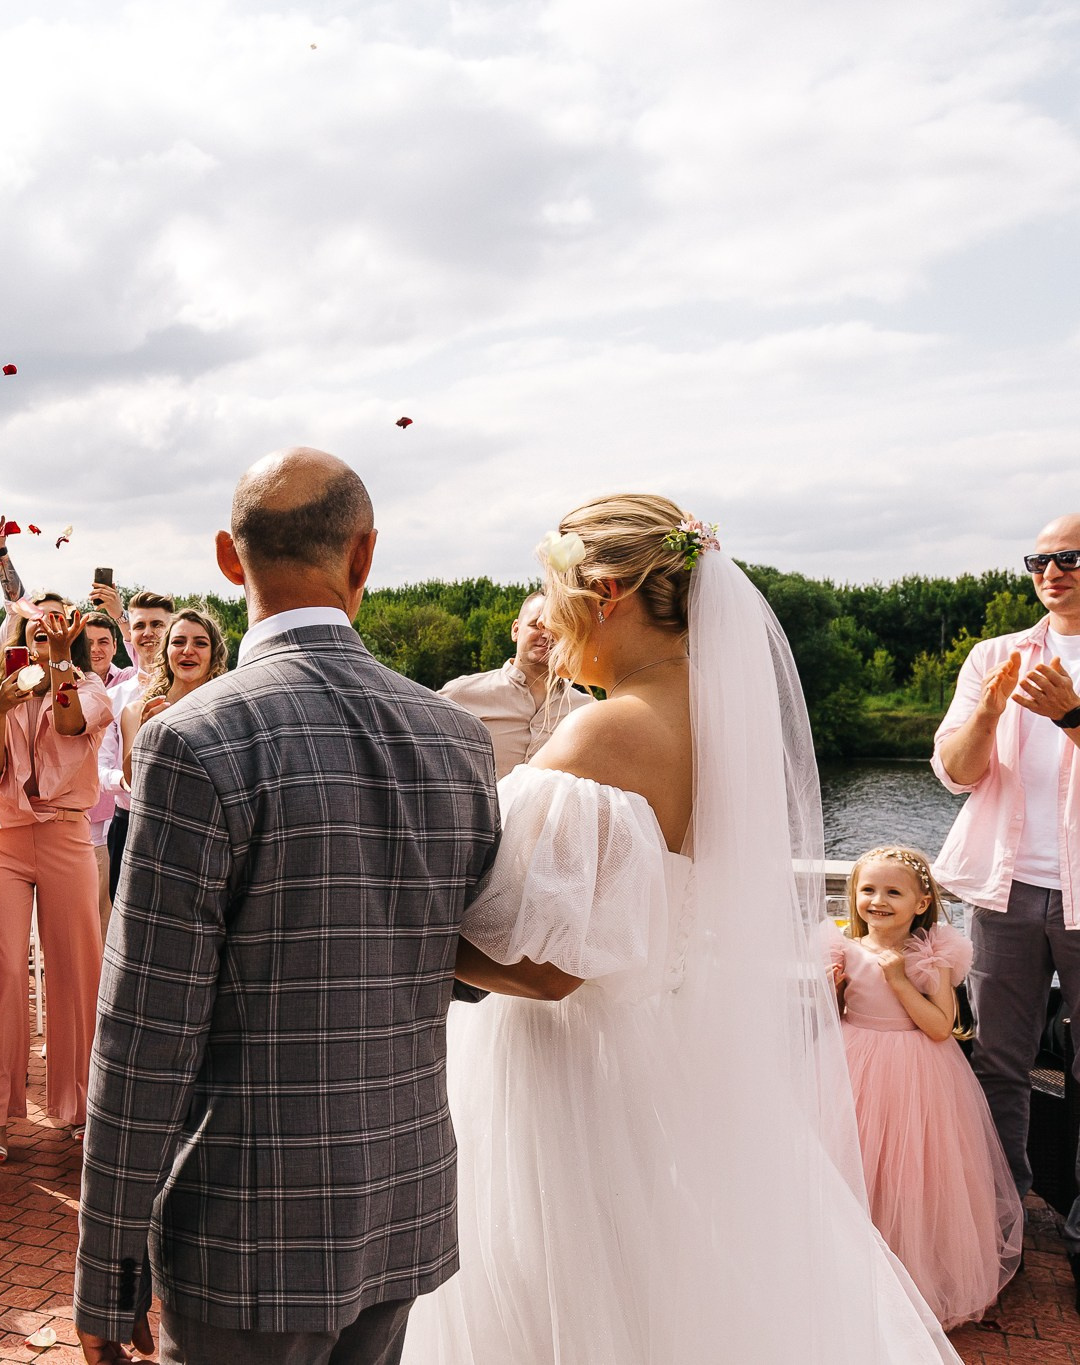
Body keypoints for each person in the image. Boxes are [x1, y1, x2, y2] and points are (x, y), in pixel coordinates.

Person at [406, 497, 961, 1362]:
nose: (548, 623)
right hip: (664, 1041)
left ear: (608, 593)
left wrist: (407, 945)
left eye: (555, 595)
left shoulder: (607, 729)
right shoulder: (717, 721)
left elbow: (551, 968)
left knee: (557, 1294)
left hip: (565, 1066)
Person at [73, 450, 498, 1365]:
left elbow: (146, 1030)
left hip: (247, 1223)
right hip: (401, 1199)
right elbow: (465, 970)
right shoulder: (459, 738)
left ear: (229, 558)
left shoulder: (193, 738)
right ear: (366, 553)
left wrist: (108, 1272)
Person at [931, 513, 1080, 1299]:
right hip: (1005, 886)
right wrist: (988, 713)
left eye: (1070, 557)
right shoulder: (995, 655)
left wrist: (1072, 717)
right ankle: (1000, 1225)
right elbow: (955, 773)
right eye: (1039, 559)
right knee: (998, 1060)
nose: (1051, 571)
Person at [825, 844, 1021, 1329]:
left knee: (909, 1172)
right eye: (868, 890)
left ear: (921, 901)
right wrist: (832, 990)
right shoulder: (842, 948)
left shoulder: (932, 954)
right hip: (853, 1062)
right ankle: (847, 1274)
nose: (878, 901)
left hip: (915, 1074)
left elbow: (939, 1026)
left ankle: (910, 1277)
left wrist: (898, 978)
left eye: (894, 892)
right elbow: (836, 1014)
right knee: (853, 1163)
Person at [0, 590, 111, 1165]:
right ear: (21, 632)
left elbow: (72, 723)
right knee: (3, 972)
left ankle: (80, 1107)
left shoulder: (90, 686)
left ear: (71, 633)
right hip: (2, 837)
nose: (46, 627)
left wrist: (59, 663)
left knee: (75, 971)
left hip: (66, 835)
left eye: (58, 621)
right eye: (37, 622)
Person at [437, 591, 592, 778]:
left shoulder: (586, 710)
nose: (547, 635)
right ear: (515, 630)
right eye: (536, 625)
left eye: (557, 627)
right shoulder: (461, 694)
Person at [102, 590, 173, 903]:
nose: (148, 633)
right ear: (130, 633)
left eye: (157, 624)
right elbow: (99, 766)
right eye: (140, 625)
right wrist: (126, 781)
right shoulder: (115, 698)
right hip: (129, 821)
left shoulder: (196, 691)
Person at [117, 608, 229, 789]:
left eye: (200, 643)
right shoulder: (137, 711)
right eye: (178, 642)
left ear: (214, 654)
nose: (188, 650)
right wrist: (146, 731)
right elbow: (133, 781)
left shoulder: (226, 711)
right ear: (166, 652)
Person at [80, 611, 136, 939]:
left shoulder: (127, 680)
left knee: (107, 908)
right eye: (88, 642)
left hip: (110, 811)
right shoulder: (67, 681)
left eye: (104, 641)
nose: (96, 649)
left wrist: (121, 615)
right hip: (77, 812)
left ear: (115, 646)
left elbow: (147, 657)